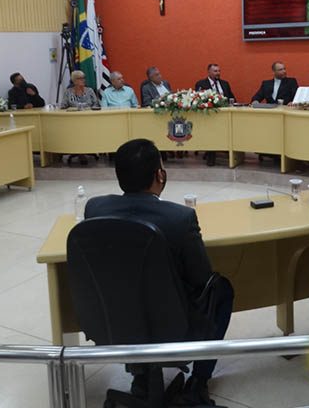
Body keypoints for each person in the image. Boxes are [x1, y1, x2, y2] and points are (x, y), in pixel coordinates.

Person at [85, 139, 234, 405]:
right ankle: (198, 382)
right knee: (222, 291)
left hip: (114, 321)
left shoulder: (94, 209)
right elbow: (202, 279)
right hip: (173, 327)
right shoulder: (180, 218)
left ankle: (142, 377)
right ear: (160, 175)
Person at [195, 64, 235, 167]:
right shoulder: (201, 84)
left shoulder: (225, 84)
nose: (218, 73)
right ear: (208, 72)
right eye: (215, 71)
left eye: (219, 71)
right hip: (210, 117)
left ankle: (233, 153)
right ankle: (211, 156)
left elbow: (232, 98)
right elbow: (198, 101)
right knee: (211, 131)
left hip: (225, 115)